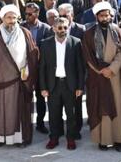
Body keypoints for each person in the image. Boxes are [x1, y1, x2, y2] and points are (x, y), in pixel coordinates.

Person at [0, 4, 38, 147]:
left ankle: (19, 139)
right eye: (9, 18)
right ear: (2, 18)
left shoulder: (25, 33)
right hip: (0, 81)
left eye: (14, 18)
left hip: (20, 80)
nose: (12, 21)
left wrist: (27, 70)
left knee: (19, 111)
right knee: (1, 110)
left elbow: (32, 55)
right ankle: (1, 138)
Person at [82, 1, 121, 151]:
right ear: (97, 17)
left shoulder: (119, 32)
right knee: (101, 107)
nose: (104, 18)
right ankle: (103, 140)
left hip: (114, 77)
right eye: (101, 16)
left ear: (110, 15)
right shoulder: (88, 34)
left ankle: (118, 140)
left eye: (107, 15)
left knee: (116, 107)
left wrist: (111, 69)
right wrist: (101, 70)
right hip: (98, 76)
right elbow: (88, 56)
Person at [39, 17, 85, 150]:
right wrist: (43, 87)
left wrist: (80, 87)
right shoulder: (45, 44)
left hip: (70, 85)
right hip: (53, 85)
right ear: (53, 28)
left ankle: (70, 139)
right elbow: (42, 67)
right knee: (53, 114)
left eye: (65, 27)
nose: (62, 30)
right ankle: (54, 138)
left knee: (71, 114)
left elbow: (80, 67)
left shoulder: (76, 42)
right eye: (59, 28)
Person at [21, 2, 52, 134]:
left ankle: (40, 123)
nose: (27, 16)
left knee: (40, 98)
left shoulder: (46, 28)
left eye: (30, 14)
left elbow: (48, 50)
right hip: (24, 69)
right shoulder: (20, 27)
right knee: (24, 97)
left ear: (37, 13)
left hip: (40, 69)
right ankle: (25, 123)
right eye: (26, 13)